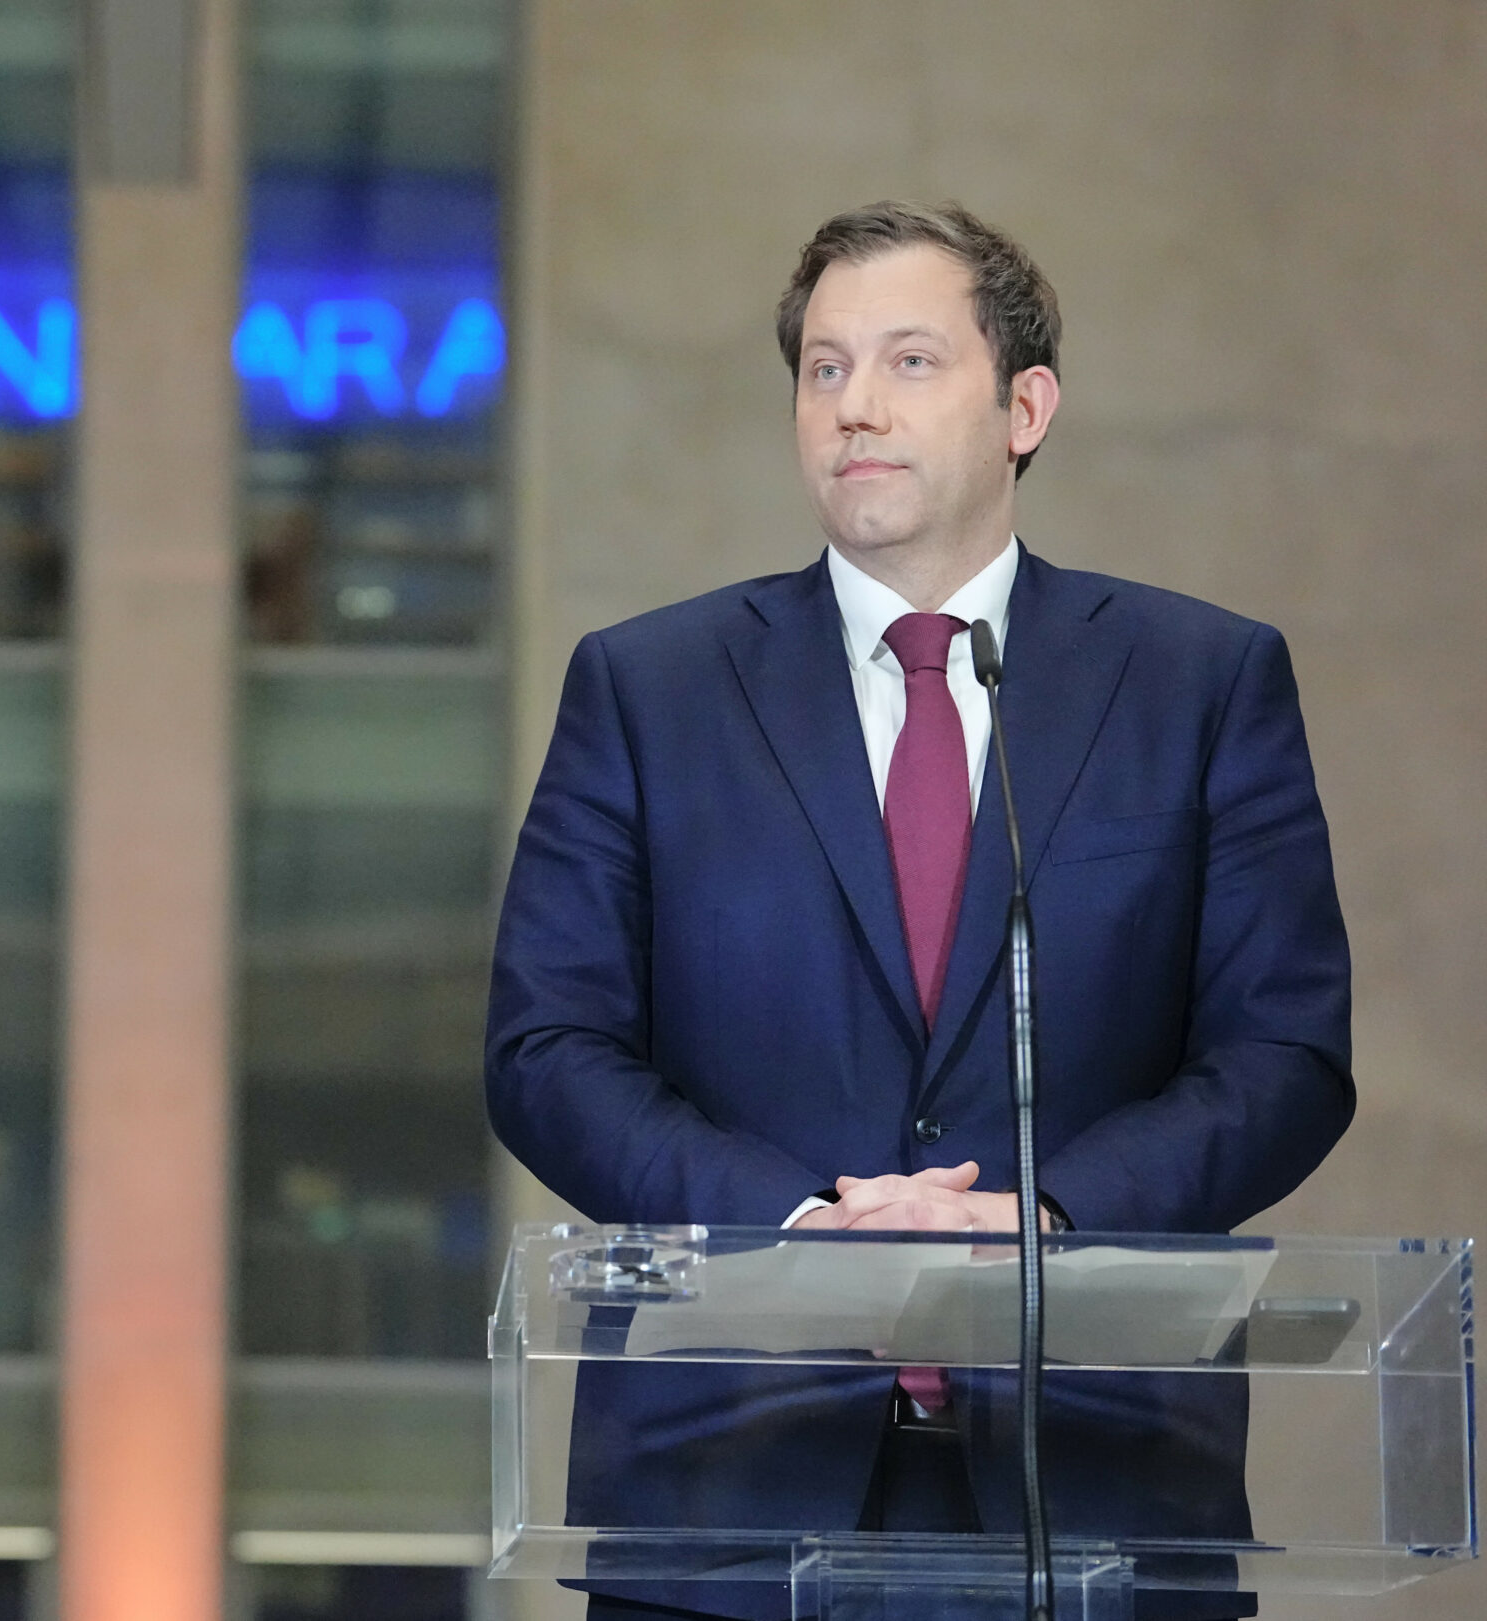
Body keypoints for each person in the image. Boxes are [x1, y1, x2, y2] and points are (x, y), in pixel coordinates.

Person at [485, 201, 1352, 1620]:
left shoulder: (1201, 683)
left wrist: (1045, 1217)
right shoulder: (648, 690)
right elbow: (546, 1050)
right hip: (727, 1489)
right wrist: (791, 1225)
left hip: (1096, 1482)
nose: (855, 408)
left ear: (1026, 404)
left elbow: (1284, 1057)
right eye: (823, 370)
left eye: (907, 362)